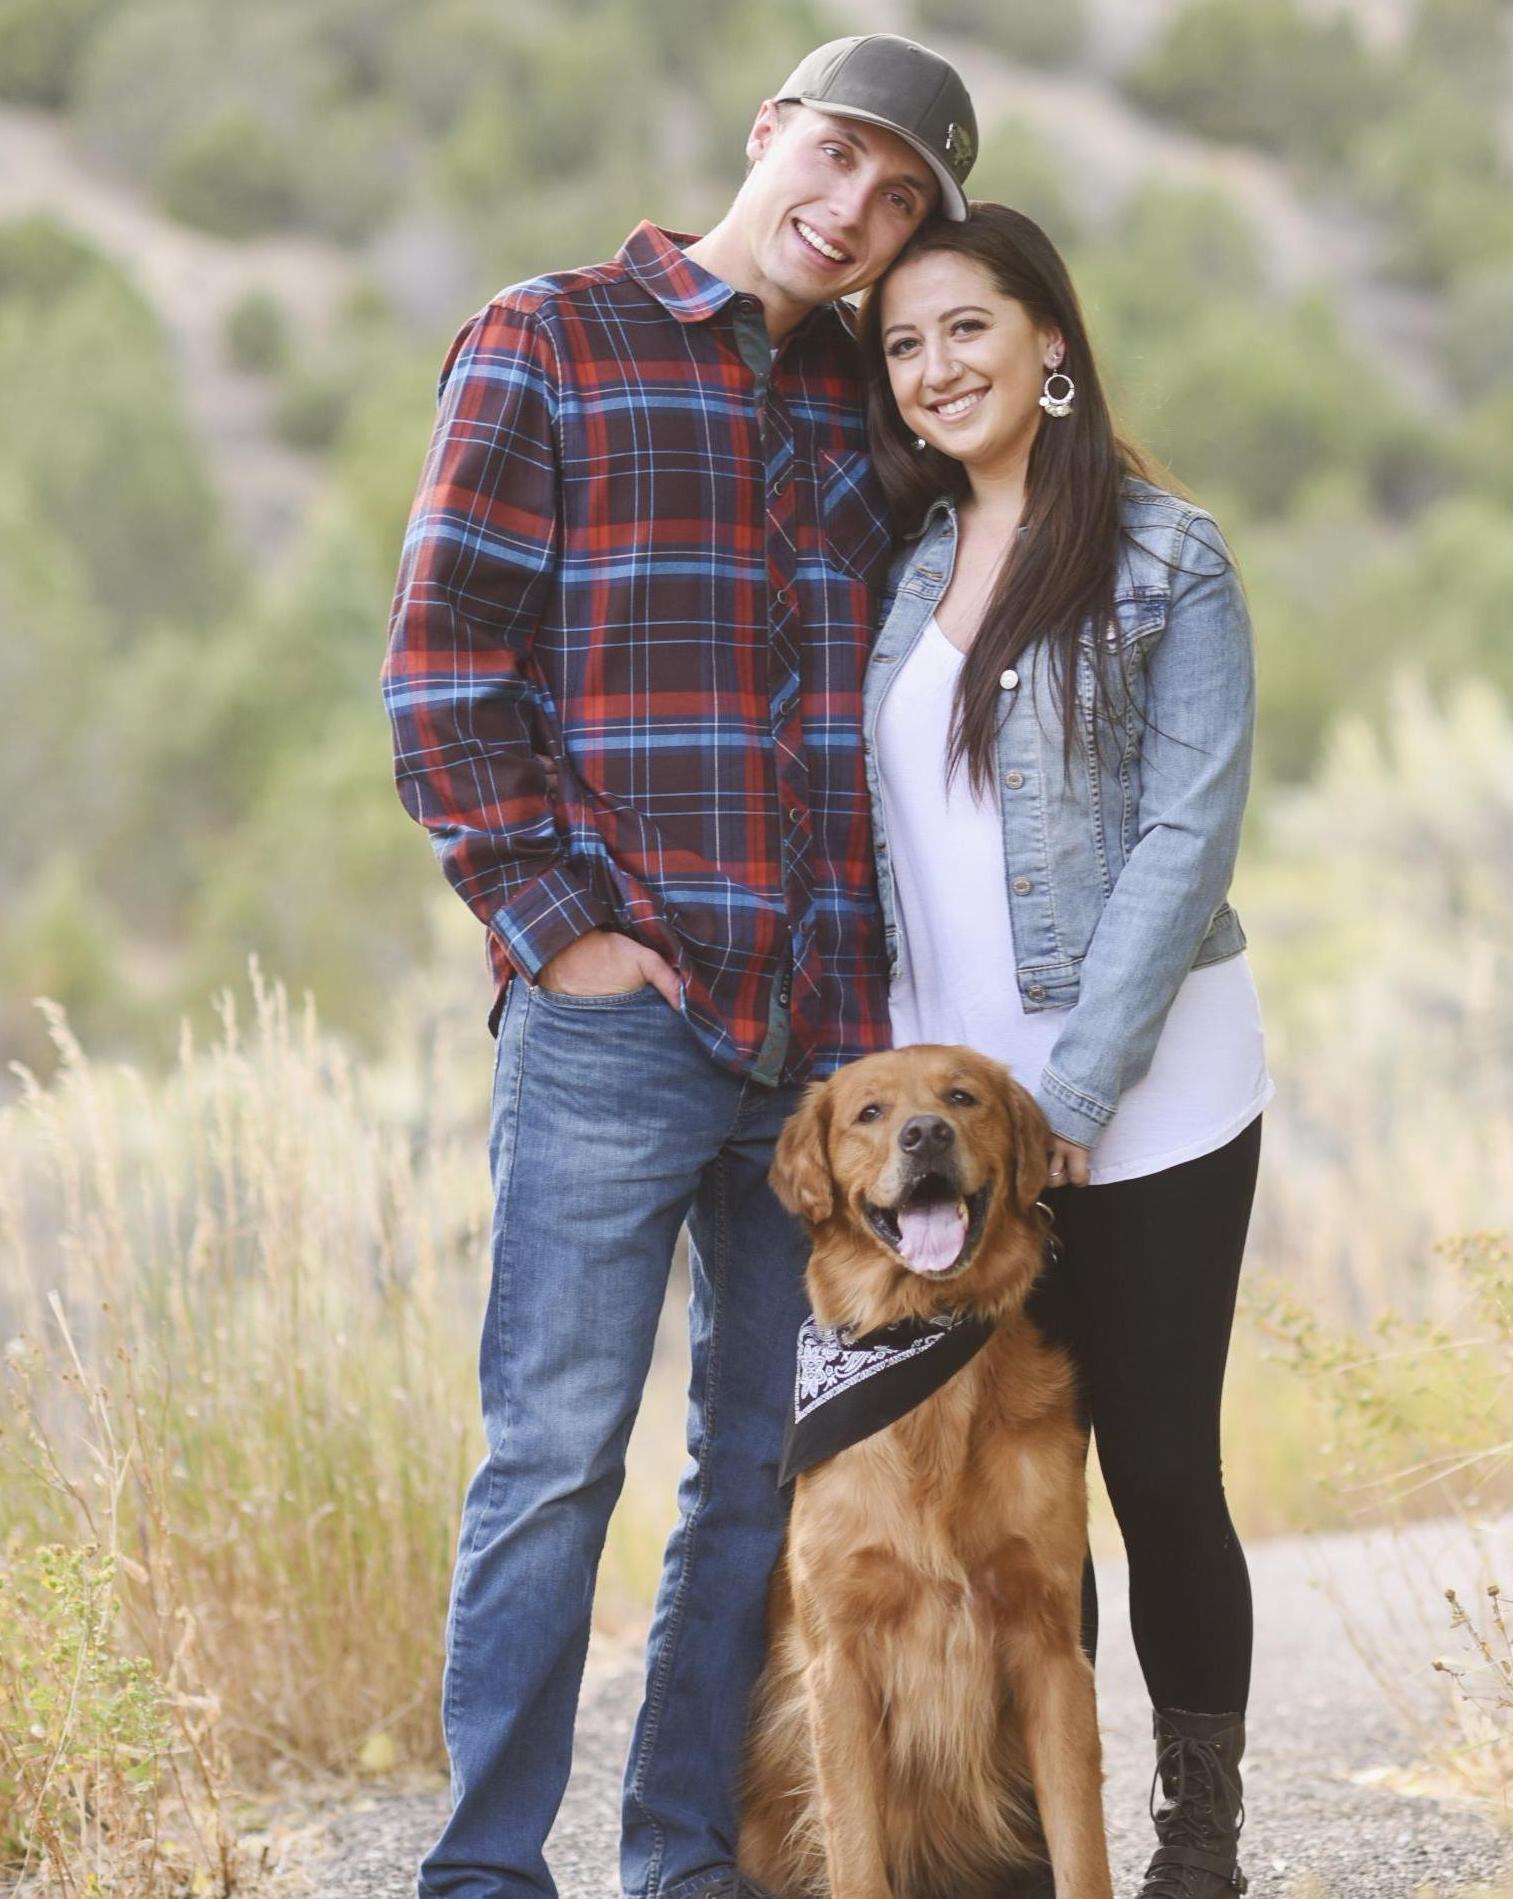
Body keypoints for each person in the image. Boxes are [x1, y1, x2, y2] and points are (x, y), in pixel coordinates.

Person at [381, 36, 977, 1899]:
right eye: (842, 158)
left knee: (757, 1468)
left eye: (900, 201)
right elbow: (443, 667)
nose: (856, 212)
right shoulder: (549, 340)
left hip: (826, 1046)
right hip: (619, 1027)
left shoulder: (869, 403)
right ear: (768, 130)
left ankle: (681, 1861)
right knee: (554, 1455)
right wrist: (558, 931)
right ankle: (486, 1872)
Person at [858, 203, 1272, 1898]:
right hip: (959, 1135)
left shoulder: (1172, 561)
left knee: (1159, 1470)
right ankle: (1044, 1851)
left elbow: (1187, 841)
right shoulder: (902, 570)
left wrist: (1077, 1094)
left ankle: (1198, 1842)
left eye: (966, 327)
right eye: (902, 345)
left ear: (1050, 342)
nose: (934, 368)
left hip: (1154, 1102)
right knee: (1019, 1487)